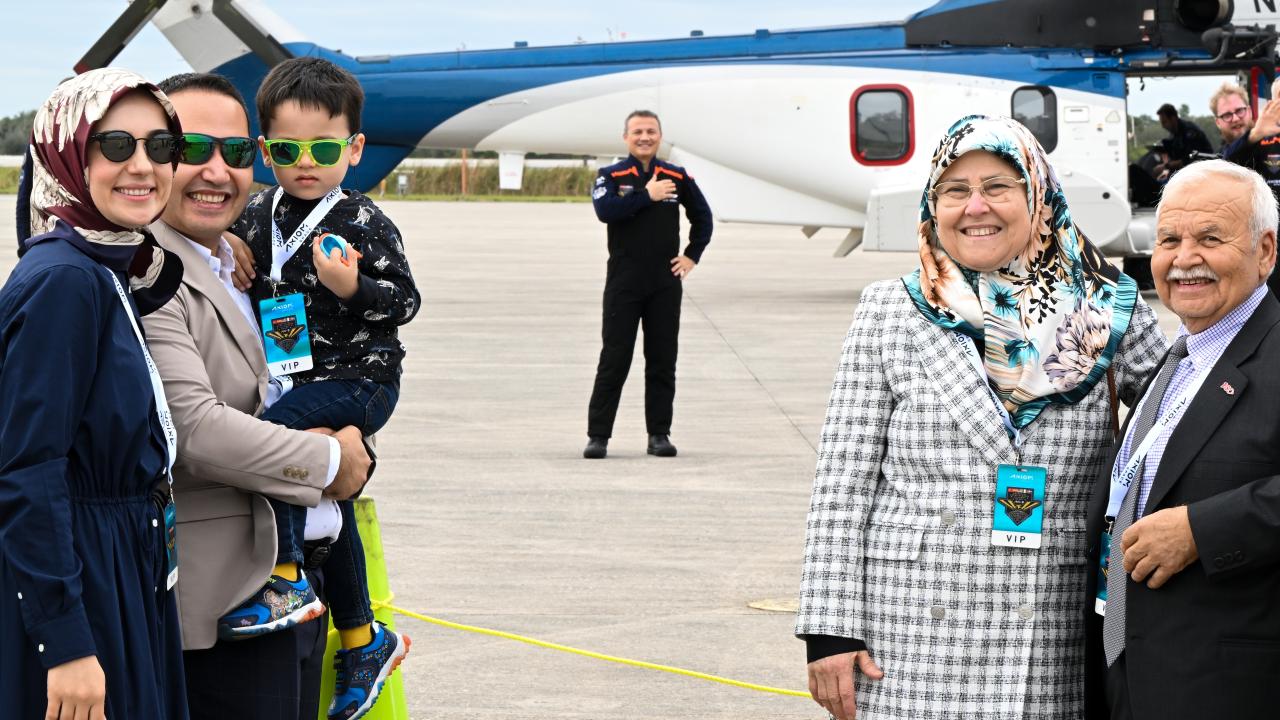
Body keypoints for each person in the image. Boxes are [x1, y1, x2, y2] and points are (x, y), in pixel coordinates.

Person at [796, 115, 1168, 720]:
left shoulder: (1110, 312)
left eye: (997, 186)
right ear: (932, 203)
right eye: (955, 190)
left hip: (1050, 625)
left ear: (1038, 194)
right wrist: (829, 628)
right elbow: (842, 482)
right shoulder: (889, 310)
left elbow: (1184, 422)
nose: (975, 207)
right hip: (906, 634)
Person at [140, 72, 373, 720]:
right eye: (193, 148)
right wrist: (331, 461)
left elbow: (296, 381)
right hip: (226, 601)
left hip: (305, 584)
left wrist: (351, 435)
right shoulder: (145, 272)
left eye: (236, 151)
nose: (217, 171)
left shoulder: (249, 268)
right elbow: (194, 429)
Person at [227, 56, 417, 720]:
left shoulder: (363, 221)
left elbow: (405, 302)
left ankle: (285, 577)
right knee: (328, 505)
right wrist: (229, 243)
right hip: (295, 381)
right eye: (287, 149)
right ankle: (363, 639)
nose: (306, 162)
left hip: (361, 380)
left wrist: (354, 287)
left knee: (273, 443)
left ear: (354, 149)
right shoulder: (257, 215)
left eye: (325, 148)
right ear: (265, 151)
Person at [0, 68, 188, 720]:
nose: (143, 166)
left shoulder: (105, 266)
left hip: (119, 564)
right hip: (85, 575)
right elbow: (27, 471)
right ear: (68, 155)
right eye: (115, 145)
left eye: (161, 147)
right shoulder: (64, 282)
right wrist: (67, 643)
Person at [1084, 160, 1280, 719]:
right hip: (1127, 675)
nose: (1184, 258)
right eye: (1169, 239)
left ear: (1265, 251)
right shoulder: (1178, 359)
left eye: (1210, 239)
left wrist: (1202, 530)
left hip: (1228, 689)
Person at [583, 110, 712, 459]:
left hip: (664, 283)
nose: (645, 137)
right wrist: (647, 195)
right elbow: (606, 211)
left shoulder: (676, 175)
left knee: (662, 360)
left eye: (651, 131)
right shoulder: (611, 175)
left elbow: (703, 218)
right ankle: (598, 436)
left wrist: (691, 256)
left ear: (660, 136)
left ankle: (659, 435)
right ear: (626, 137)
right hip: (624, 282)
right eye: (638, 131)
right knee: (614, 359)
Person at [1153, 103, 1213, 178]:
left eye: (1164, 122)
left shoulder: (1189, 131)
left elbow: (1191, 159)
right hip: (1185, 174)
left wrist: (1166, 166)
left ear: (1173, 118)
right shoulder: (1174, 135)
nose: (1163, 126)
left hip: (1202, 172)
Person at [1209, 82, 1254, 148]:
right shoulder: (1221, 154)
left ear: (1249, 112)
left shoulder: (1268, 144)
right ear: (1218, 123)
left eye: (1239, 111)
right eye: (1227, 115)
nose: (1235, 119)